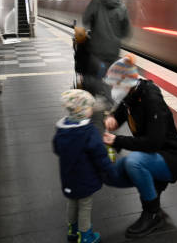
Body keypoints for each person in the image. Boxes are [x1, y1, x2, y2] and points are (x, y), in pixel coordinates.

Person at [101, 55, 177, 238]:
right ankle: (153, 186)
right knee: (111, 175)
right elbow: (124, 109)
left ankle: (152, 212)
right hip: (153, 155)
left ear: (128, 82)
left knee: (133, 162)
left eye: (116, 85)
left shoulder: (151, 97)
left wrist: (117, 141)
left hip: (172, 157)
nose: (114, 89)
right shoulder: (132, 94)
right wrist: (113, 119)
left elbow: (153, 142)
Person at [53, 89, 119, 243]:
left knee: (72, 202)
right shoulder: (89, 131)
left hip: (68, 177)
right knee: (85, 206)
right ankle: (85, 236)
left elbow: (57, 149)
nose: (92, 109)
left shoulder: (62, 130)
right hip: (85, 178)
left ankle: (72, 230)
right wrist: (111, 171)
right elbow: (100, 156)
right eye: (89, 107)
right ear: (83, 111)